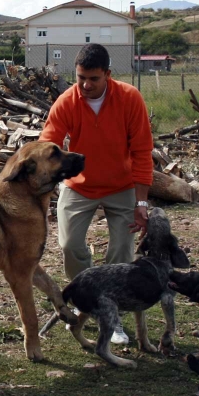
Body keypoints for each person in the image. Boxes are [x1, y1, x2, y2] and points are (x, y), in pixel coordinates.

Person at [39, 43, 154, 344]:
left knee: (121, 253)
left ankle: (110, 314)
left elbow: (142, 152)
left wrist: (141, 202)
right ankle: (87, 300)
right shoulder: (66, 102)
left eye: (93, 79)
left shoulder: (130, 99)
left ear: (108, 74)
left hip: (122, 186)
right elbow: (48, 145)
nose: (86, 85)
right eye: (80, 79)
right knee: (69, 245)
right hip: (80, 186)